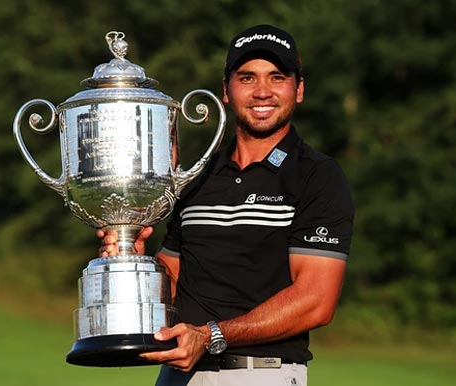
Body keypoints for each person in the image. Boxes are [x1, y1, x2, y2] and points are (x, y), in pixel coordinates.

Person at [98, 24, 354, 386]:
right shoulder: (198, 175)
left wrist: (213, 336)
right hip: (178, 375)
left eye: (277, 77)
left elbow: (315, 300)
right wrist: (135, 259)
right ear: (225, 91)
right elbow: (172, 282)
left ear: (298, 90)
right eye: (247, 78)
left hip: (262, 374)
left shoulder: (316, 176)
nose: (262, 91)